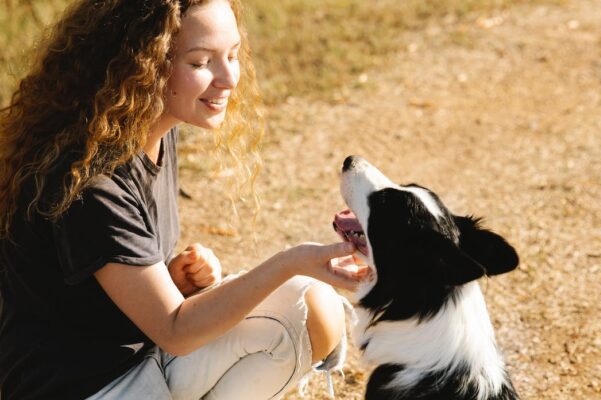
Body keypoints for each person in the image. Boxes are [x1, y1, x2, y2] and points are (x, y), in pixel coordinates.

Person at [0, 1, 365, 399]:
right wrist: (293, 261)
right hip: (88, 388)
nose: (228, 77)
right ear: (142, 66)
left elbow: (94, 295)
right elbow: (176, 330)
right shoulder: (91, 182)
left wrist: (167, 278)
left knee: (313, 309)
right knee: (301, 303)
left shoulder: (154, 129)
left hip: (129, 364)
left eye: (232, 54)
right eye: (201, 62)